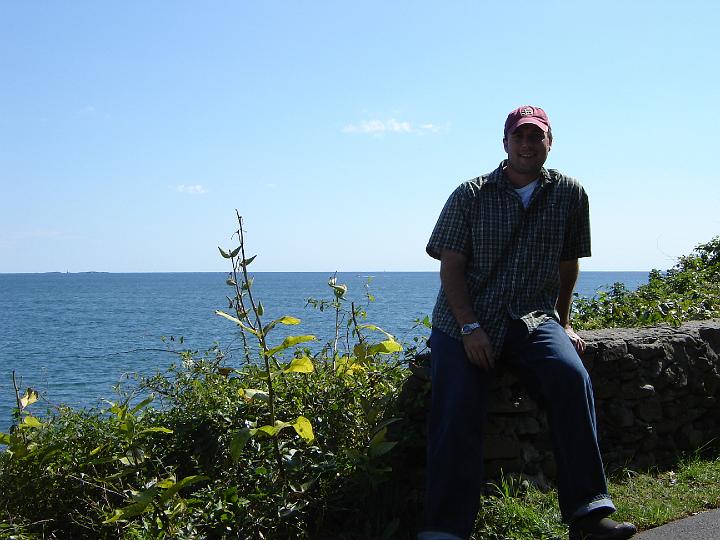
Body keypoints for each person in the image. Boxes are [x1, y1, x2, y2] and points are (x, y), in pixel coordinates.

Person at [420, 106, 637, 540]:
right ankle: (444, 530)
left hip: (532, 318)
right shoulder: (470, 194)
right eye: (519, 136)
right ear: (505, 143)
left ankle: (588, 515)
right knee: (456, 408)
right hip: (465, 319)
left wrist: (565, 323)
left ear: (549, 143)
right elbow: (451, 265)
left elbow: (568, 263)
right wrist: (469, 327)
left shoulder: (570, 193)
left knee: (571, 380)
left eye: (536, 136)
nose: (527, 144)